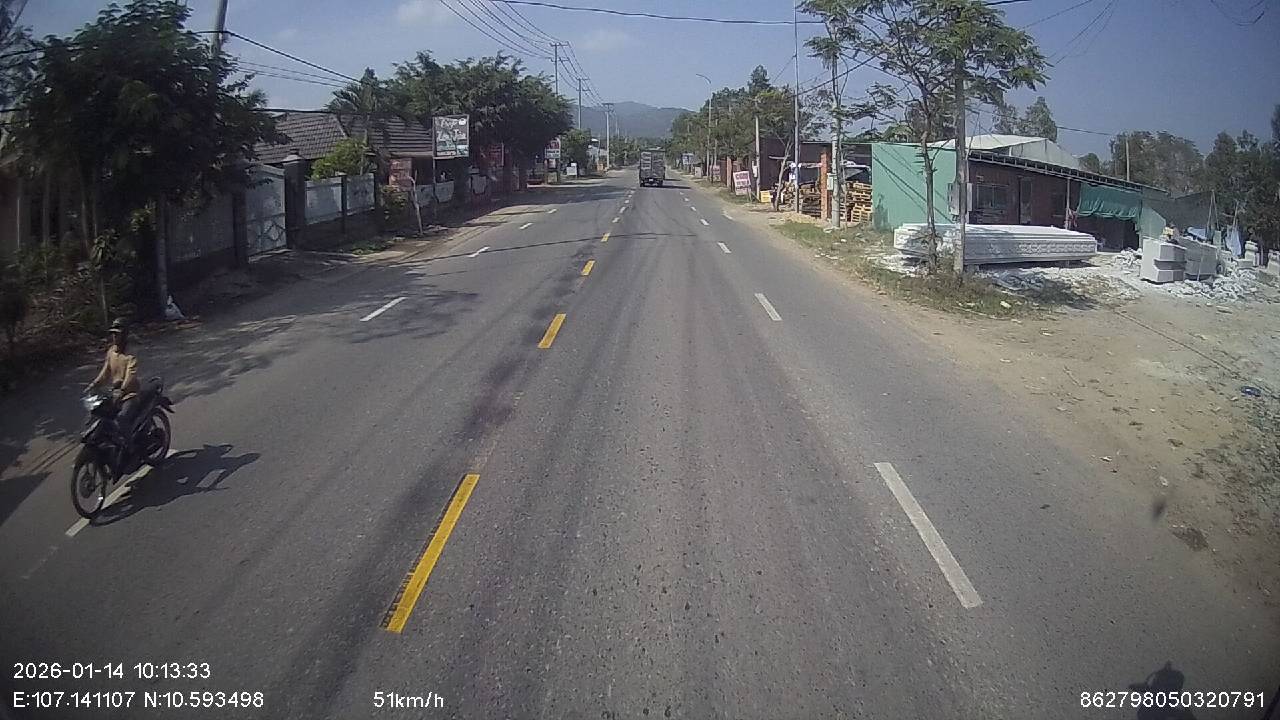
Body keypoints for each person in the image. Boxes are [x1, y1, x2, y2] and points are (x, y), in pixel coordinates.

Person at [86, 318, 150, 440]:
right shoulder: (112, 351)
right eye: (113, 334)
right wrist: (94, 384)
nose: (114, 337)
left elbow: (130, 375)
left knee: (121, 419)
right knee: (98, 413)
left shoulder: (131, 355)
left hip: (129, 395)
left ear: (124, 335)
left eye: (117, 334)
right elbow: (105, 372)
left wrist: (122, 390)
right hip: (114, 393)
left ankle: (129, 446)